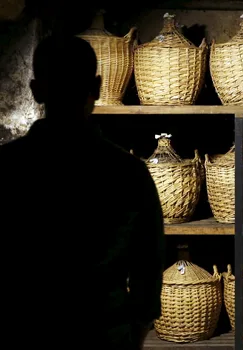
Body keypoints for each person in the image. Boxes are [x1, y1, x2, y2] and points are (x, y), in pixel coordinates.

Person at [0, 35, 164, 349]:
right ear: (98, 87)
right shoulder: (130, 173)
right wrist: (132, 336)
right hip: (104, 336)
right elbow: (148, 272)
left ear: (36, 91)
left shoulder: (7, 168)